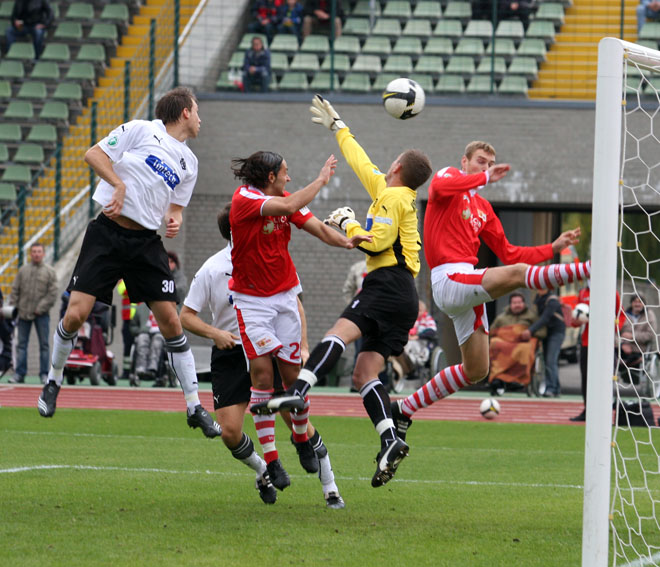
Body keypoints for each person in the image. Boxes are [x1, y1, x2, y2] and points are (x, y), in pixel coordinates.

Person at [256, 95, 433, 488]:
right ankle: (390, 438)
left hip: (386, 284)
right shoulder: (396, 192)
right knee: (364, 373)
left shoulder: (391, 197)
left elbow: (376, 241)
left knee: (338, 333)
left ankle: (299, 390)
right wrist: (339, 127)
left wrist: (348, 222)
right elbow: (361, 162)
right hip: (404, 294)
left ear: (397, 167)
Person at [37, 87, 222, 440]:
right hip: (107, 235)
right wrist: (117, 184)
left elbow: (176, 208)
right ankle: (53, 381)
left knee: (171, 322)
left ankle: (194, 407)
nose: (201, 119)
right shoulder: (141, 129)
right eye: (198, 111)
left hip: (146, 244)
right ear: (185, 112)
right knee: (75, 315)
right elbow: (93, 154)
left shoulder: (190, 162)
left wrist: (175, 219)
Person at [381, 140, 590, 441]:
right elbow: (439, 188)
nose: (486, 167)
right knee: (518, 275)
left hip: (467, 286)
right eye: (481, 161)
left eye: (490, 164)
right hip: (448, 278)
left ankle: (404, 409)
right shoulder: (448, 176)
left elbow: (509, 252)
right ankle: (587, 270)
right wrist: (484, 177)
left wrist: (552, 248)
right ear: (464, 161)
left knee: (476, 370)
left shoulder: (483, 208)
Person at [180, 203, 345, 508]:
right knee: (230, 433)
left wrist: (303, 345)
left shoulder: (271, 256)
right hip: (231, 353)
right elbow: (185, 316)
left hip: (269, 349)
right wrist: (216, 334)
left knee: (296, 420)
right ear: (235, 228)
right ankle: (262, 470)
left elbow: (294, 305)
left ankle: (330, 486)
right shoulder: (212, 269)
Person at [229, 147, 370, 485]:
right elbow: (290, 206)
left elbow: (318, 227)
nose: (289, 178)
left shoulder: (285, 200)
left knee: (294, 378)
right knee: (262, 378)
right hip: (252, 302)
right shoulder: (245, 199)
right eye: (285, 173)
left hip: (285, 297)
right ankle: (272, 460)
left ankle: (301, 438)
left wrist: (347, 242)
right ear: (270, 177)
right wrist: (321, 180)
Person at [9, 242, 58, 384]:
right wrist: (14, 307)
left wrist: (40, 308)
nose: (36, 254)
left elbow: (52, 293)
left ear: (43, 254)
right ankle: (19, 374)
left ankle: (44, 374)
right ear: (30, 254)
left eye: (39, 251)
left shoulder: (50, 272)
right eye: (34, 251)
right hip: (23, 314)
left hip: (42, 315)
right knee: (21, 345)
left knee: (44, 345)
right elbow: (15, 290)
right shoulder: (22, 270)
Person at [488, 292, 542, 393]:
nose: (517, 305)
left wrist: (529, 333)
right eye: (514, 303)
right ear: (510, 304)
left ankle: (518, 379)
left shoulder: (532, 317)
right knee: (494, 343)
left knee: (525, 348)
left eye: (519, 302)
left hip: (523, 342)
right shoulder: (501, 318)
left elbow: (542, 331)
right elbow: (492, 331)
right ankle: (498, 377)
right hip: (505, 342)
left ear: (524, 303)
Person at [522, 288, 566, 397]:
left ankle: (551, 388)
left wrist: (530, 330)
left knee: (551, 361)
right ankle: (555, 388)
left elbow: (544, 318)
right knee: (547, 361)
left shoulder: (552, 301)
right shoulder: (538, 298)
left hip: (556, 333)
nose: (540, 289)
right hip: (546, 333)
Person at [619, 294, 657, 376]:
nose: (637, 304)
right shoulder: (624, 314)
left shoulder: (649, 315)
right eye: (635, 301)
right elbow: (617, 332)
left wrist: (632, 336)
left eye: (640, 301)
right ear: (631, 303)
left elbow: (651, 335)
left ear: (644, 303)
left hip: (640, 350)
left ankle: (635, 361)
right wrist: (622, 344)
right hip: (623, 348)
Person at [130, 303, 167, 387]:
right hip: (144, 331)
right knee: (142, 339)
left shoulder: (166, 305)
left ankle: (152, 369)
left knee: (157, 342)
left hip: (160, 333)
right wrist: (139, 331)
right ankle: (140, 369)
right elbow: (133, 325)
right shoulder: (141, 307)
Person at [116, 279, 137, 384]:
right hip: (127, 320)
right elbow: (122, 290)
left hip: (139, 320)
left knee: (140, 347)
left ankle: (136, 371)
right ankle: (126, 371)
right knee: (127, 346)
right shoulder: (123, 279)